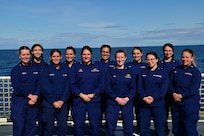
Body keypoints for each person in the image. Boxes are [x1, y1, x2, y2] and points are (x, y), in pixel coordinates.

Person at [70, 45, 104, 136]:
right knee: (78, 125)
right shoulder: (75, 67)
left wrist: (93, 94)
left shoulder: (98, 67)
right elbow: (72, 85)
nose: (86, 56)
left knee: (95, 125)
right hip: (79, 100)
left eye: (88, 54)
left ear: (91, 55)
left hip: (94, 100)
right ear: (81, 55)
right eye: (84, 54)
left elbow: (101, 85)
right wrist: (82, 95)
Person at [169, 49, 201, 136]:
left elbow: (194, 88)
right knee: (176, 128)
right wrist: (174, 94)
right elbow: (170, 83)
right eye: (183, 57)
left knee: (189, 129)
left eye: (187, 57)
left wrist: (182, 95)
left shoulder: (195, 72)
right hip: (176, 103)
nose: (184, 59)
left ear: (191, 58)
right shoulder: (176, 70)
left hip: (189, 104)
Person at [10, 46, 41, 136]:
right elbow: (17, 87)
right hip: (20, 103)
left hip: (33, 102)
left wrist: (36, 96)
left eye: (27, 54)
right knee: (19, 128)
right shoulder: (16, 70)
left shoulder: (35, 68)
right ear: (19, 56)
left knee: (31, 128)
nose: (25, 57)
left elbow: (39, 83)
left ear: (30, 55)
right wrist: (30, 96)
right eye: (23, 55)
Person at [105, 50, 136, 136]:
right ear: (115, 58)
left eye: (122, 57)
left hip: (127, 102)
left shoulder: (130, 71)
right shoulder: (110, 71)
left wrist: (127, 98)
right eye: (118, 57)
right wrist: (117, 98)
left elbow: (133, 88)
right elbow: (107, 88)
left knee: (128, 126)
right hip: (113, 102)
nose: (120, 59)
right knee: (110, 127)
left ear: (125, 58)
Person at [138, 51, 169, 136]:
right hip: (144, 104)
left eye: (152, 59)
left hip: (158, 104)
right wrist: (144, 97)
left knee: (160, 127)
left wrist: (153, 97)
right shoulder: (143, 72)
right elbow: (140, 87)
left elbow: (163, 89)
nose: (150, 61)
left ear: (156, 60)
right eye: (148, 59)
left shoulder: (162, 72)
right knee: (144, 127)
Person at [41, 49, 70, 136]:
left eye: (58, 56)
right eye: (54, 56)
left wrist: (62, 100)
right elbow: (45, 87)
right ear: (50, 57)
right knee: (48, 128)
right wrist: (53, 101)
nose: (56, 58)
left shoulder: (66, 69)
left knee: (62, 127)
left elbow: (68, 87)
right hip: (49, 104)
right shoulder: (46, 70)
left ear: (61, 57)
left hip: (62, 104)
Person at [159, 43, 180, 135]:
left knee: (176, 115)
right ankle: (164, 132)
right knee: (163, 116)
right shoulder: (159, 63)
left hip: (174, 93)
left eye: (169, 51)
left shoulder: (177, 64)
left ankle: (177, 132)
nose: (167, 52)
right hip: (163, 94)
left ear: (173, 52)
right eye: (166, 51)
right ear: (163, 52)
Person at [126, 46, 147, 133]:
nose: (136, 55)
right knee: (129, 115)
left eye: (138, 53)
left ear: (141, 54)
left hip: (141, 94)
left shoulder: (146, 66)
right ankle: (129, 131)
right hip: (130, 94)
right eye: (134, 53)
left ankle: (141, 131)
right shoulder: (128, 65)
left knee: (141, 114)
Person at [94, 44, 116, 125]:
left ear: (110, 53)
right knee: (97, 115)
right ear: (100, 53)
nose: (105, 54)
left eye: (107, 52)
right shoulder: (96, 64)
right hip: (99, 94)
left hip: (110, 94)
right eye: (103, 52)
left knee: (110, 116)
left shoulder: (114, 64)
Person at [30, 43, 48, 136]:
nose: (37, 52)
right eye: (35, 50)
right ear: (32, 52)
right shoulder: (28, 65)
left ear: (42, 52)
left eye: (39, 50)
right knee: (30, 123)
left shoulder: (45, 65)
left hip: (44, 99)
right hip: (31, 98)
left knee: (43, 122)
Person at [63, 46, 78, 120]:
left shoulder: (78, 66)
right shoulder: (61, 66)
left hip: (75, 95)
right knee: (63, 115)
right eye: (67, 54)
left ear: (74, 55)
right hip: (64, 95)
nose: (69, 56)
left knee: (76, 115)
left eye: (71, 54)